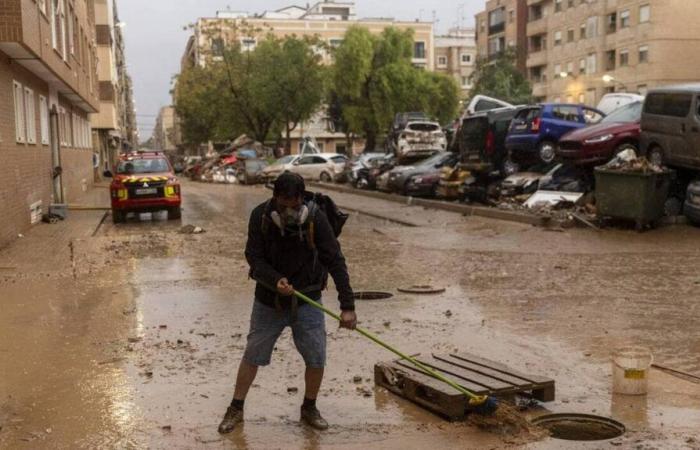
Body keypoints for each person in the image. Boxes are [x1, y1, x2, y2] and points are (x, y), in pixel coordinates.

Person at [218, 172, 357, 434]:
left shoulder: (316, 218)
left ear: (302, 199)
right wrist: (275, 280)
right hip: (268, 301)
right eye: (283, 204)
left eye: (294, 205)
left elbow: (336, 261)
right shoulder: (260, 216)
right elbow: (254, 257)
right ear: (274, 198)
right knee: (253, 354)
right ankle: (235, 408)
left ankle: (309, 408)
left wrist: (347, 306)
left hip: (308, 301)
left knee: (316, 357)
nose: (289, 211)